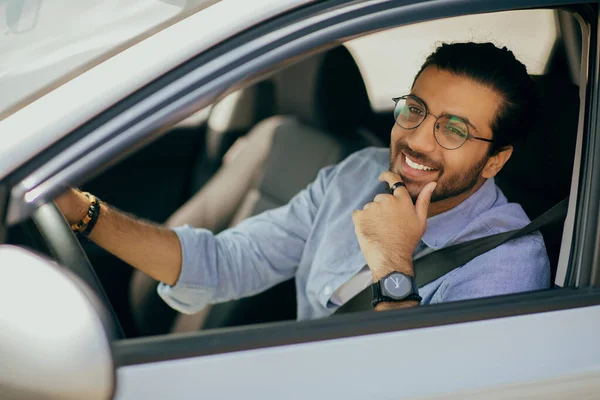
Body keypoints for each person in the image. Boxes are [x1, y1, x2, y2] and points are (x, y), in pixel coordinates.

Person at [57, 42, 549, 320]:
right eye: (415, 110)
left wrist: (393, 263)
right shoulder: (358, 173)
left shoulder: (507, 262)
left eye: (455, 129)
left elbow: (417, 383)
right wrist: (81, 211)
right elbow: (226, 260)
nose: (418, 140)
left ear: (494, 161)